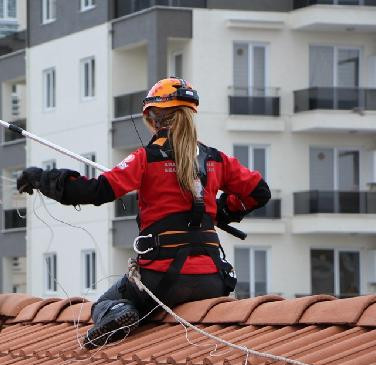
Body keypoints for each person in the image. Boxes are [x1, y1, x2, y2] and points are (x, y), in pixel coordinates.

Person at [16, 77, 271, 349]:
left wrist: (40, 178)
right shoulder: (216, 160)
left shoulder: (146, 159)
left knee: (104, 303)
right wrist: (221, 212)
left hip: (163, 280)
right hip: (213, 279)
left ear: (153, 118)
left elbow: (95, 191)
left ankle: (121, 313)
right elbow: (258, 192)